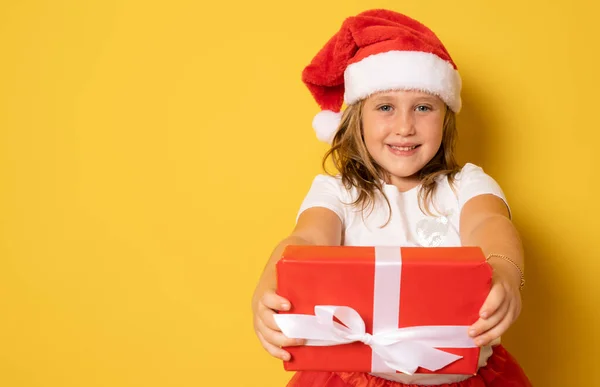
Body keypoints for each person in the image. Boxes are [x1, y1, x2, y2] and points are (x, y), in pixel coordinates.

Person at [251, 8, 532, 387]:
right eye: (385, 107)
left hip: (463, 375)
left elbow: (490, 223)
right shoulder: (338, 191)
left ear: (445, 117)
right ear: (358, 119)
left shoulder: (465, 185)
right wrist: (269, 285)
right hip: (353, 378)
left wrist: (505, 274)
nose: (404, 126)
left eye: (423, 107)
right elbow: (306, 240)